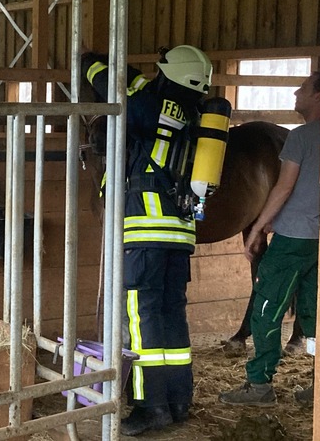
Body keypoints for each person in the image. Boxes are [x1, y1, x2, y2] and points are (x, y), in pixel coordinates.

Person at [82, 45, 214, 436]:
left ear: (167, 77)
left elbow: (112, 87)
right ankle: (177, 401)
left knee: (141, 321)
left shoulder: (149, 107)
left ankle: (149, 406)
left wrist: (90, 63)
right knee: (172, 318)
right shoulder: (196, 118)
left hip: (146, 229)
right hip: (180, 234)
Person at [219, 71, 320, 407]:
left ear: (319, 97)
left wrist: (257, 227)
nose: (297, 91)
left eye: (305, 88)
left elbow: (283, 187)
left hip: (293, 236)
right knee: (312, 313)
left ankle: (260, 386)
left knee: (266, 309)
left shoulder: (301, 137)